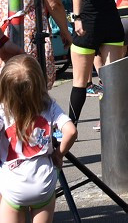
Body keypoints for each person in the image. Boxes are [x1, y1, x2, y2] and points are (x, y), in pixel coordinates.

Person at [0, 55, 78, 219]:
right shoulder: (48, 105)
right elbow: (70, 131)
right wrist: (58, 154)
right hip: (43, 181)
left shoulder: (2, 109)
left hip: (13, 183)